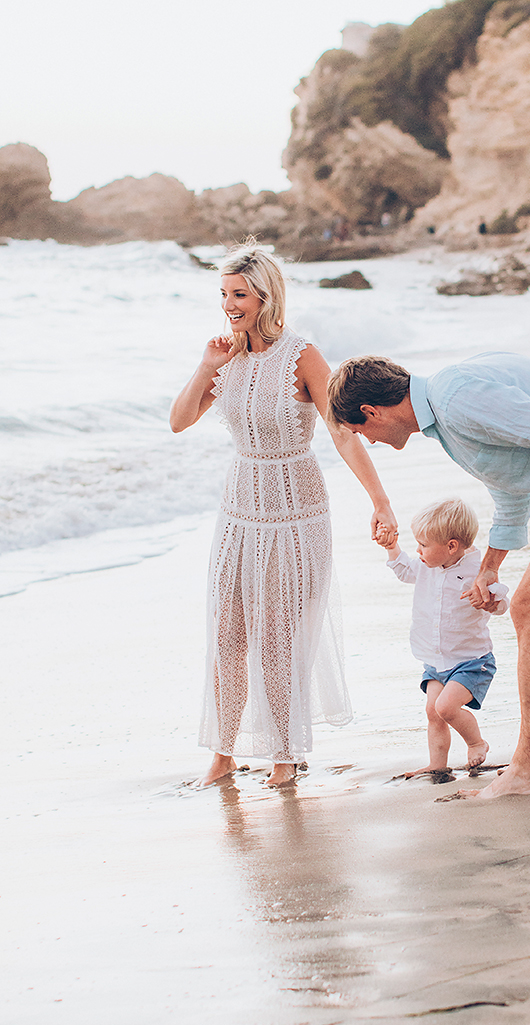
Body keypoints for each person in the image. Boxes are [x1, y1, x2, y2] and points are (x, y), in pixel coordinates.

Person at [326, 352, 530, 799]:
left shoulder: (453, 396)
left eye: (360, 432)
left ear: (371, 412)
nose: (368, 442)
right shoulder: (444, 417)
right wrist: (488, 569)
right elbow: (512, 484)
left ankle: (528, 767)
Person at [170, 244, 397, 788]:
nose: (229, 304)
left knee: (278, 636)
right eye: (224, 294)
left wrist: (380, 501)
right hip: (239, 505)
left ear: (264, 296)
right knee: (227, 632)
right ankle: (223, 754)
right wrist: (205, 367)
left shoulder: (303, 356)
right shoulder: (224, 356)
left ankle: (284, 755)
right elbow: (179, 421)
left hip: (295, 508)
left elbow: (341, 432)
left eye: (239, 294)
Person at [380, 497, 509, 777]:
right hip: (436, 660)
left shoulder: (478, 568)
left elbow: (501, 602)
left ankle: (477, 743)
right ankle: (437, 763)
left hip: (472, 661)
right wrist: (392, 547)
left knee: (446, 707)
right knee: (433, 712)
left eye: (424, 545)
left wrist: (489, 601)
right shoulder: (426, 566)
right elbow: (403, 570)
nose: (419, 551)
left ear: (451, 546)